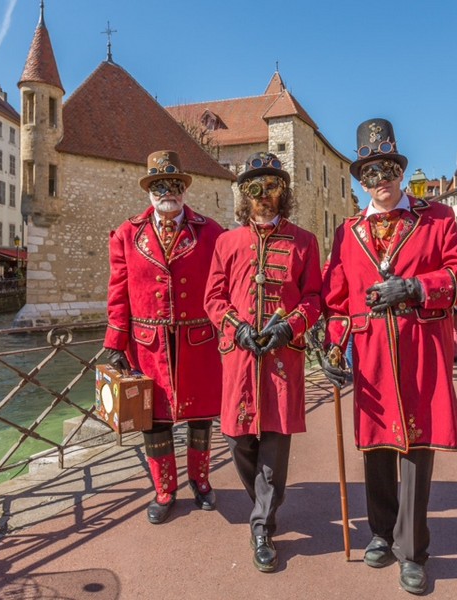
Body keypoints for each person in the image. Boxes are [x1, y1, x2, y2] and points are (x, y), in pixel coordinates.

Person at [320, 118, 457, 595]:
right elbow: (335, 299)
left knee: (414, 451)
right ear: (360, 180)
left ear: (400, 170)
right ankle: (380, 533)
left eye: (387, 170)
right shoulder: (348, 232)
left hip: (419, 355)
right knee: (375, 448)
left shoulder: (436, 219)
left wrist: (416, 286)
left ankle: (412, 550)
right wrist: (333, 344)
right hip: (369, 357)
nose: (380, 182)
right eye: (369, 174)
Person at [205, 152, 322, 573]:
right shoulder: (226, 243)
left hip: (281, 360)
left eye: (272, 188)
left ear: (283, 193)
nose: (264, 197)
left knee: (274, 440)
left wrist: (290, 326)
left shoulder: (305, 242)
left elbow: (314, 299)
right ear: (245, 196)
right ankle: (263, 504)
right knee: (238, 440)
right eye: (256, 189)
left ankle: (262, 525)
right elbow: (213, 298)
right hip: (239, 360)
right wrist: (233, 325)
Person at [104, 150, 225, 524]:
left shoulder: (211, 231)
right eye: (159, 186)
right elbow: (118, 290)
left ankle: (200, 482)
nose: (166, 193)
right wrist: (114, 341)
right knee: (153, 420)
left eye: (173, 185)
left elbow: (223, 286)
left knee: (201, 417)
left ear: (184, 190)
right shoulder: (127, 234)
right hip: (147, 343)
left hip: (198, 341)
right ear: (149, 192)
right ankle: (164, 489)